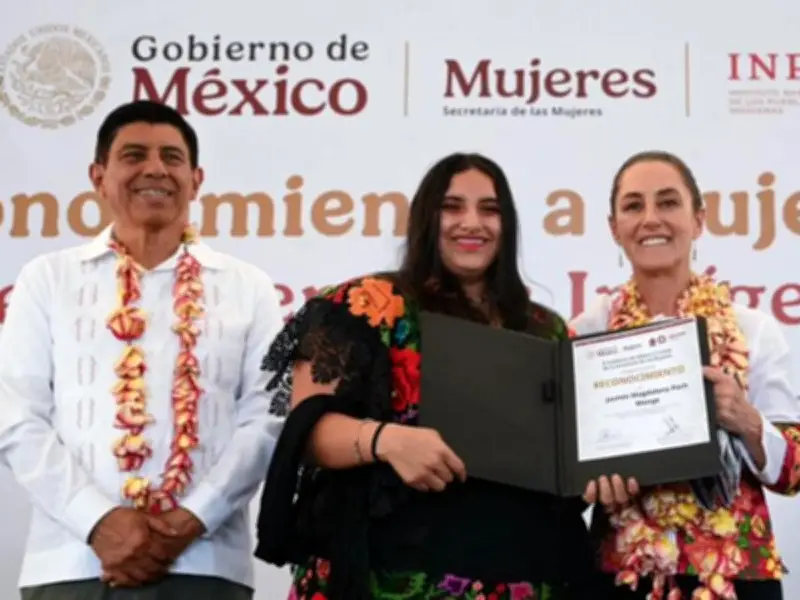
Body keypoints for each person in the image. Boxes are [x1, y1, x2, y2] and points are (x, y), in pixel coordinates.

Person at [252, 152, 610, 600]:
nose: (472, 223)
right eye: (452, 207)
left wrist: (603, 474)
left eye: (490, 209)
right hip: (385, 578)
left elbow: (562, 466)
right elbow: (307, 431)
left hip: (521, 579)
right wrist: (387, 440)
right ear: (426, 217)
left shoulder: (545, 330)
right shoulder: (366, 304)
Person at [0, 100, 284, 599]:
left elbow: (267, 417)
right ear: (99, 176)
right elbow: (16, 414)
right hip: (71, 563)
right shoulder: (48, 278)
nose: (155, 169)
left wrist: (193, 517)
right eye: (134, 155)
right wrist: (98, 521)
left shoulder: (248, 286)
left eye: (172, 158)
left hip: (204, 563)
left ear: (196, 180)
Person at [573, 150, 800, 600]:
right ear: (614, 227)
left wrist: (747, 420)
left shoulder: (751, 329)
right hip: (623, 577)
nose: (651, 219)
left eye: (668, 202)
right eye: (633, 206)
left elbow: (794, 472)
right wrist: (592, 484)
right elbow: (565, 469)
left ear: (698, 220)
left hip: (736, 576)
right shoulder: (587, 332)